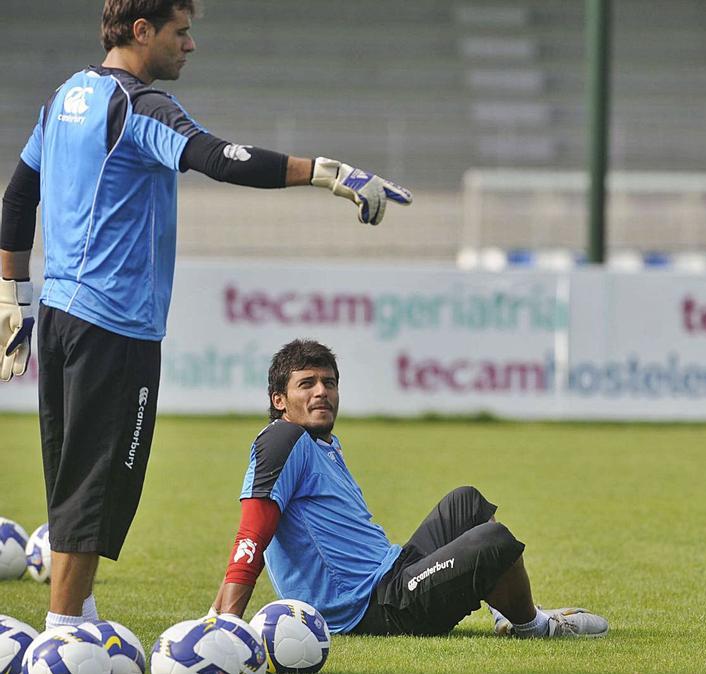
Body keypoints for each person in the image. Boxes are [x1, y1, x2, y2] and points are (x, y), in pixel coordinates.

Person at [0, 0, 412, 631]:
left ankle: (77, 616)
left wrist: (14, 296)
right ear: (142, 31)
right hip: (115, 326)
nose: (190, 45)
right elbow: (221, 158)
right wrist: (327, 173)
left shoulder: (63, 99)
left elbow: (18, 195)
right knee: (98, 488)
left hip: (60, 316)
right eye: (181, 31)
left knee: (70, 478)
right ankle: (63, 640)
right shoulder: (136, 106)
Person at [208, 339, 609, 639]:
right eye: (306, 384)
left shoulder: (324, 445)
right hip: (374, 608)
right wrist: (224, 624)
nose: (321, 392)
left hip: (393, 571)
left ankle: (505, 613)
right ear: (279, 400)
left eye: (329, 382)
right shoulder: (283, 438)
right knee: (494, 540)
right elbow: (252, 533)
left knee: (465, 501)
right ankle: (535, 627)